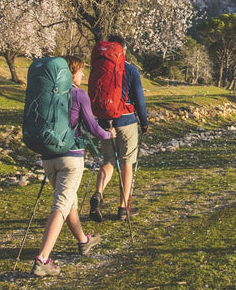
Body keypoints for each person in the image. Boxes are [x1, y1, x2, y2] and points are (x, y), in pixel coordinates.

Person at [31, 56, 116, 278]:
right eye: (79, 72)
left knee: (70, 203)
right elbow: (92, 127)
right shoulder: (78, 94)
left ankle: (83, 241)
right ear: (70, 73)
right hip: (70, 157)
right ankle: (43, 259)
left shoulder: (47, 95)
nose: (82, 76)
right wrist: (109, 134)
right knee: (61, 205)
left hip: (48, 157)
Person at [89, 35, 149, 222]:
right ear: (123, 49)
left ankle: (98, 193)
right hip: (126, 121)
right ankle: (123, 207)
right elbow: (139, 98)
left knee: (108, 160)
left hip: (104, 120)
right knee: (126, 162)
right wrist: (144, 122)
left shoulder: (99, 69)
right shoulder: (130, 70)